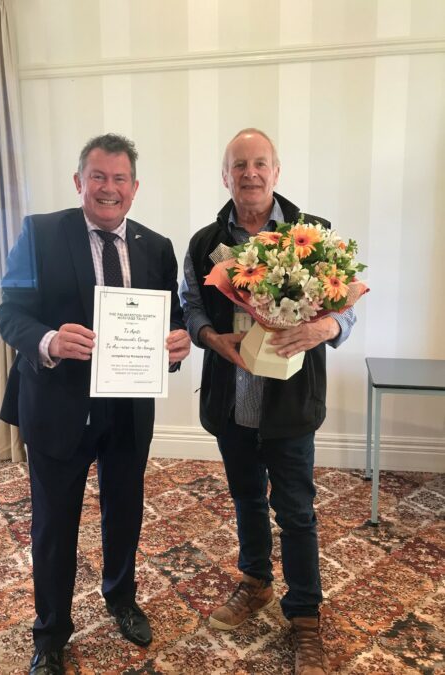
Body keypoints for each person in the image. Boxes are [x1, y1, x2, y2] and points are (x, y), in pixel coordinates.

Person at [0, 133, 190, 675]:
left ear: (135, 187)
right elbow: (10, 312)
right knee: (54, 523)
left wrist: (177, 344)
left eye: (119, 179)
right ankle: (51, 631)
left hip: (127, 405)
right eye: (98, 177)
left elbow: (169, 320)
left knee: (125, 507)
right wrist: (50, 341)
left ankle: (121, 598)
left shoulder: (157, 245)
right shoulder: (41, 233)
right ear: (79, 181)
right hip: (59, 405)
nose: (109, 189)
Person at [180, 128, 356, 675]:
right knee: (246, 498)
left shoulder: (317, 236)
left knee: (297, 511)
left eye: (260, 163)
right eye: (239, 165)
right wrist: (212, 337)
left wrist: (327, 325)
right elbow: (191, 305)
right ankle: (255, 579)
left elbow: (347, 308)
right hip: (233, 398)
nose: (250, 173)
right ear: (226, 175)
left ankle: (304, 615)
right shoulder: (204, 241)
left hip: (291, 401)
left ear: (276, 172)